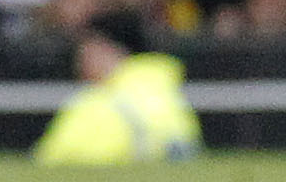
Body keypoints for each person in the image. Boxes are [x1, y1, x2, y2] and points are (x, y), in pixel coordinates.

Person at [32, 11, 201, 166]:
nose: (80, 60)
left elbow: (49, 158)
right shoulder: (166, 89)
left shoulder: (91, 103)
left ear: (109, 50)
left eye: (87, 49)